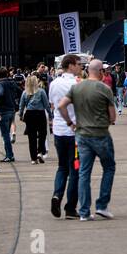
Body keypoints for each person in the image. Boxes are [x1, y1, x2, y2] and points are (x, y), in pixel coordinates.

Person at [57, 58, 117, 221]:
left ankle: (83, 211)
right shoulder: (105, 89)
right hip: (100, 134)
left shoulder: (76, 87)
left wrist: (70, 122)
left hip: (82, 134)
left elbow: (61, 105)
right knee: (109, 167)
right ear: (101, 72)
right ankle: (102, 205)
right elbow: (113, 116)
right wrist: (108, 119)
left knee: (84, 172)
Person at [48, 54, 82, 218]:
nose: (81, 67)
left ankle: (57, 195)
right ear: (71, 65)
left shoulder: (54, 83)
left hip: (59, 131)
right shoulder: (77, 83)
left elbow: (53, 105)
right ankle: (70, 207)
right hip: (74, 133)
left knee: (62, 167)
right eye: (79, 64)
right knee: (75, 169)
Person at [18, 74, 51, 164]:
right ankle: (40, 151)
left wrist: (21, 115)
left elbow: (21, 105)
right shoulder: (41, 91)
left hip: (29, 114)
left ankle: (33, 158)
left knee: (31, 137)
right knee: (42, 134)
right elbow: (46, 104)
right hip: (40, 113)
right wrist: (50, 115)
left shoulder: (25, 92)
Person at [0, 68, 21, 163]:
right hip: (11, 109)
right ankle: (9, 155)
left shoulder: (1, 84)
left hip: (4, 111)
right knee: (7, 133)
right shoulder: (11, 82)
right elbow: (20, 91)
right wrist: (15, 100)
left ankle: (9, 155)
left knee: (5, 134)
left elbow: (0, 94)